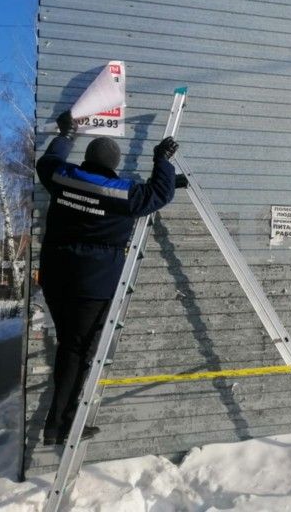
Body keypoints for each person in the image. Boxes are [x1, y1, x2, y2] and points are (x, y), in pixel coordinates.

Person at [36, 110, 183, 445]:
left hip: (57, 278)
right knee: (78, 351)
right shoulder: (123, 192)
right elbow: (155, 195)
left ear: (88, 159)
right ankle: (59, 425)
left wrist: (66, 135)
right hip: (93, 284)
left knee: (69, 346)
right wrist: (162, 160)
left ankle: (60, 421)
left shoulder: (62, 177)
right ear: (114, 164)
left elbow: (47, 162)